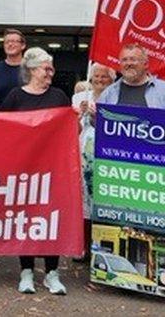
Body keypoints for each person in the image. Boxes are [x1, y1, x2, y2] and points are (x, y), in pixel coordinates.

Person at [0, 47, 71, 295]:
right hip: (23, 170)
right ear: (31, 70)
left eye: (51, 68)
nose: (50, 72)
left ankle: (52, 273)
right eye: (46, 68)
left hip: (53, 170)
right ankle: (26, 272)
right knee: (26, 219)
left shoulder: (60, 96)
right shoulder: (14, 97)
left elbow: (69, 134)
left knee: (51, 219)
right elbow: (2, 131)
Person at [70, 63, 115, 260]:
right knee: (83, 203)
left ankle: (103, 249)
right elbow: (73, 129)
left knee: (105, 202)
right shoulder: (80, 97)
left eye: (104, 76)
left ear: (112, 79)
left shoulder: (116, 97)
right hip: (82, 155)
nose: (99, 80)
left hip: (108, 156)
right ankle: (84, 246)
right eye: (96, 76)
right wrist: (78, 115)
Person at [93, 44, 165, 128]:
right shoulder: (109, 92)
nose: (128, 63)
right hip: (117, 151)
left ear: (145, 64)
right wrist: (93, 117)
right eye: (124, 60)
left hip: (155, 152)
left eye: (133, 59)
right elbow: (98, 126)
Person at [0, 28, 27, 107]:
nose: (10, 44)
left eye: (14, 41)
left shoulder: (31, 68)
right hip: (1, 117)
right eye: (7, 42)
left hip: (26, 117)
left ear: (23, 45)